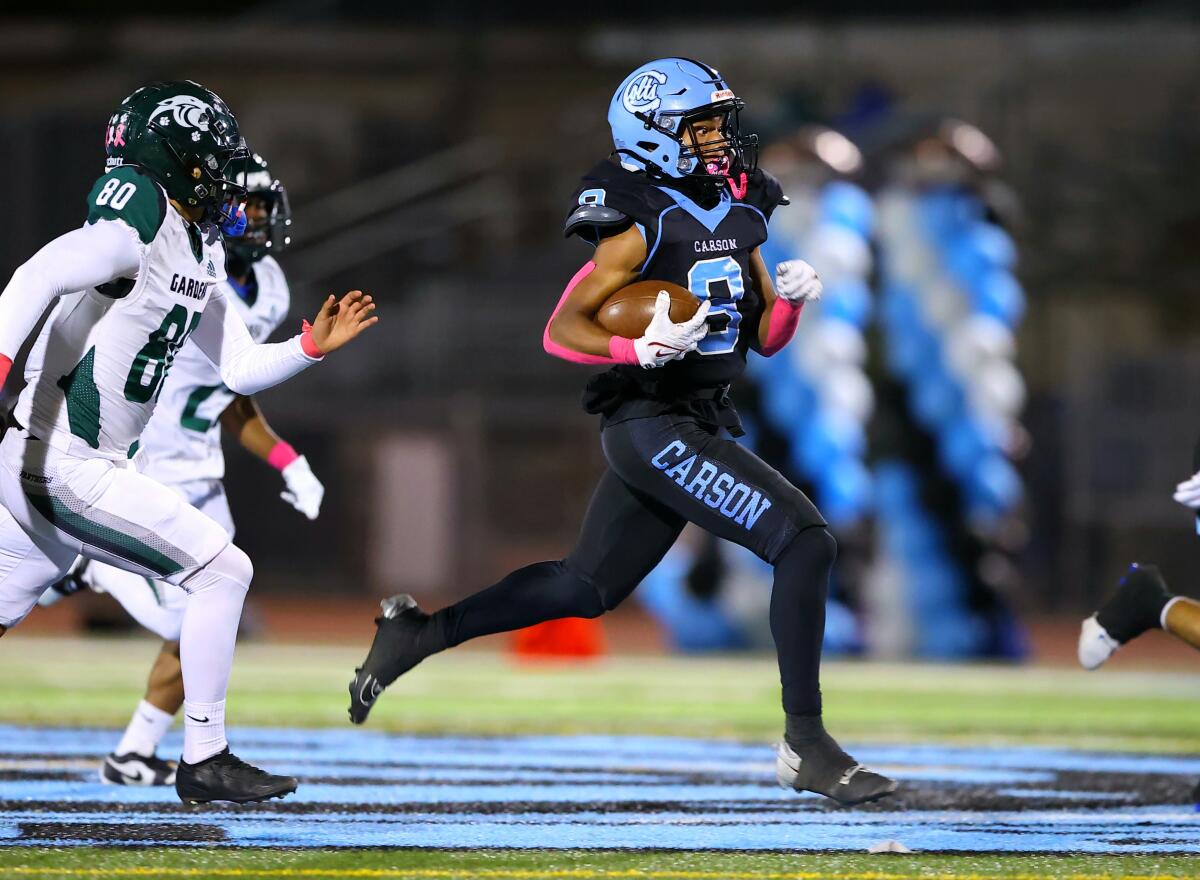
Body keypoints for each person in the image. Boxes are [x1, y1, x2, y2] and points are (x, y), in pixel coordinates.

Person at [347, 58, 896, 807]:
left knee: (586, 586)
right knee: (805, 540)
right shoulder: (641, 218)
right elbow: (562, 327)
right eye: (700, 125)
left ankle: (420, 633)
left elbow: (763, 338)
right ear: (656, 133)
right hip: (652, 421)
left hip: (693, 418)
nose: (717, 140)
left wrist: (794, 302)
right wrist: (632, 347)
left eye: (718, 124)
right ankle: (806, 744)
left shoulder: (742, 205)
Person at [0, 81, 377, 804]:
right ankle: (204, 757)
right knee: (222, 571)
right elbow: (36, 274)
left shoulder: (197, 248)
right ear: (171, 161)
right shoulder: (135, 211)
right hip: (64, 459)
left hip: (60, 461)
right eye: (211, 163)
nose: (225, 180)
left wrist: (309, 345)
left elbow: (234, 366)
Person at [36, 153, 324, 788]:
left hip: (202, 466)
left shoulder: (260, 282)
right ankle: (96, 569)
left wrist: (287, 457)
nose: (250, 217)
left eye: (258, 207)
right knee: (199, 604)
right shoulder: (166, 251)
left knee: (210, 618)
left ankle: (133, 753)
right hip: (137, 457)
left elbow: (232, 384)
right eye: (239, 203)